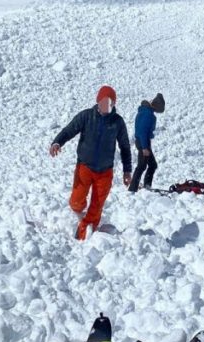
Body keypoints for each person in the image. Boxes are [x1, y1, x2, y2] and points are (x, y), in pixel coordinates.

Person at [50, 85, 132, 240]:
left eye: (110, 102)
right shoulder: (86, 116)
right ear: (98, 101)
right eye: (104, 101)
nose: (106, 105)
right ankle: (78, 211)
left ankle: (83, 233)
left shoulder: (117, 122)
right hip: (85, 167)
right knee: (76, 201)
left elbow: (125, 146)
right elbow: (69, 130)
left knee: (97, 205)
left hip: (105, 171)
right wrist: (57, 143)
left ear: (113, 104)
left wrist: (127, 171)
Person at [128, 93, 165, 192]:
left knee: (147, 165)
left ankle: (141, 186)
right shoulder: (148, 115)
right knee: (145, 165)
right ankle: (134, 188)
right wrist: (144, 148)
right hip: (143, 142)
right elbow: (142, 131)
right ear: (156, 106)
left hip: (142, 141)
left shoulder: (144, 111)